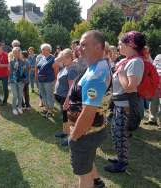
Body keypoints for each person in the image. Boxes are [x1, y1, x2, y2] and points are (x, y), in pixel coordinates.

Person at [67, 30, 112, 188]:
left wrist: (75, 136)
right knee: (88, 159)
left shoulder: (96, 75)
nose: (79, 47)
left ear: (97, 47)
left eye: (84, 45)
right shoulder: (95, 68)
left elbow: (87, 116)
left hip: (86, 134)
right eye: (79, 44)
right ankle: (98, 183)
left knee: (83, 173)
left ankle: (93, 183)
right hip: (91, 133)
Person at [104, 31, 145, 173]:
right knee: (116, 133)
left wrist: (120, 72)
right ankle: (121, 157)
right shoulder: (128, 60)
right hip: (119, 105)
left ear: (130, 45)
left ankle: (122, 163)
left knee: (121, 134)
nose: (119, 47)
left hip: (125, 107)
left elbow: (129, 88)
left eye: (121, 45)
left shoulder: (135, 62)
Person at [54, 49, 78, 146]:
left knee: (67, 118)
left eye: (63, 59)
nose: (61, 61)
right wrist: (62, 55)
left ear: (69, 59)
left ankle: (69, 139)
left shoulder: (72, 71)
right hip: (62, 97)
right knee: (64, 117)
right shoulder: (66, 66)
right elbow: (56, 60)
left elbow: (71, 88)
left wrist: (66, 102)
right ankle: (65, 132)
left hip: (66, 98)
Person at [36, 44, 59, 118]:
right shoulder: (40, 58)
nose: (42, 51)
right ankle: (45, 108)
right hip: (40, 80)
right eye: (42, 49)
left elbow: (56, 70)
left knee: (49, 96)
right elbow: (38, 67)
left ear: (49, 50)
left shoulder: (52, 59)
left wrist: (55, 80)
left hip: (49, 80)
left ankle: (50, 110)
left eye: (44, 49)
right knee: (43, 95)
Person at [143, 45, 161, 129]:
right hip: (155, 83)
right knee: (153, 103)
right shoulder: (158, 56)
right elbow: (153, 67)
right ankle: (152, 119)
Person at [9, 47, 27, 115]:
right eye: (13, 52)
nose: (14, 54)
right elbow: (10, 71)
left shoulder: (22, 61)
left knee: (20, 95)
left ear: (19, 53)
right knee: (15, 95)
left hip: (20, 81)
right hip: (13, 81)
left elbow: (24, 70)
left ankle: (19, 107)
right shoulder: (11, 61)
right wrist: (16, 68)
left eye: (16, 52)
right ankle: (14, 108)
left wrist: (19, 69)